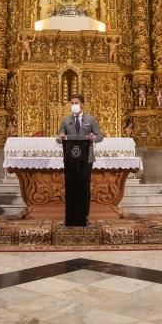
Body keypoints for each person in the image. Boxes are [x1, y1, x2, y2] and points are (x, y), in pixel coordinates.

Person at [56, 94, 104, 226]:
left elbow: (100, 136)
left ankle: (84, 215)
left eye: (76, 103)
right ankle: (70, 217)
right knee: (71, 185)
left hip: (86, 156)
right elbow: (58, 137)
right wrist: (60, 136)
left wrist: (93, 137)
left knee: (84, 185)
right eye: (72, 103)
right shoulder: (66, 120)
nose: (74, 105)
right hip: (71, 158)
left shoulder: (91, 119)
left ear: (82, 104)